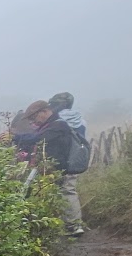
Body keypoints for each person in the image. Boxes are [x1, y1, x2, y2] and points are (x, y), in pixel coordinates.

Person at [14, 99, 86, 236]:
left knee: (67, 191)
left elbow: (37, 139)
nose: (33, 122)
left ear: (45, 111)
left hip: (66, 166)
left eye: (34, 117)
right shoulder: (52, 125)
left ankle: (74, 226)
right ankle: (64, 225)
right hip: (58, 166)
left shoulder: (58, 125)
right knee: (59, 193)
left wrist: (15, 138)